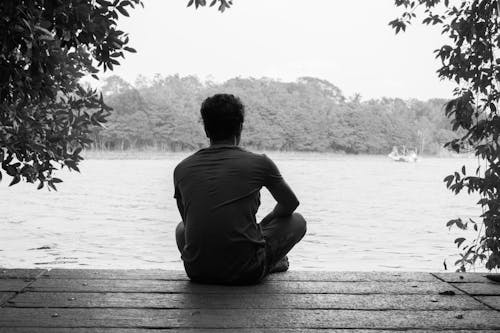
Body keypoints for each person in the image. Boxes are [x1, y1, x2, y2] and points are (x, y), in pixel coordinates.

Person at [174, 93, 306, 285]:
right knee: (297, 221)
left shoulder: (182, 168)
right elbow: (291, 204)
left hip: (197, 271)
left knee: (181, 229)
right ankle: (269, 264)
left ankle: (216, 265)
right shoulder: (260, 163)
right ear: (240, 128)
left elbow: (186, 220)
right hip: (246, 272)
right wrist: (265, 223)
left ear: (206, 130)